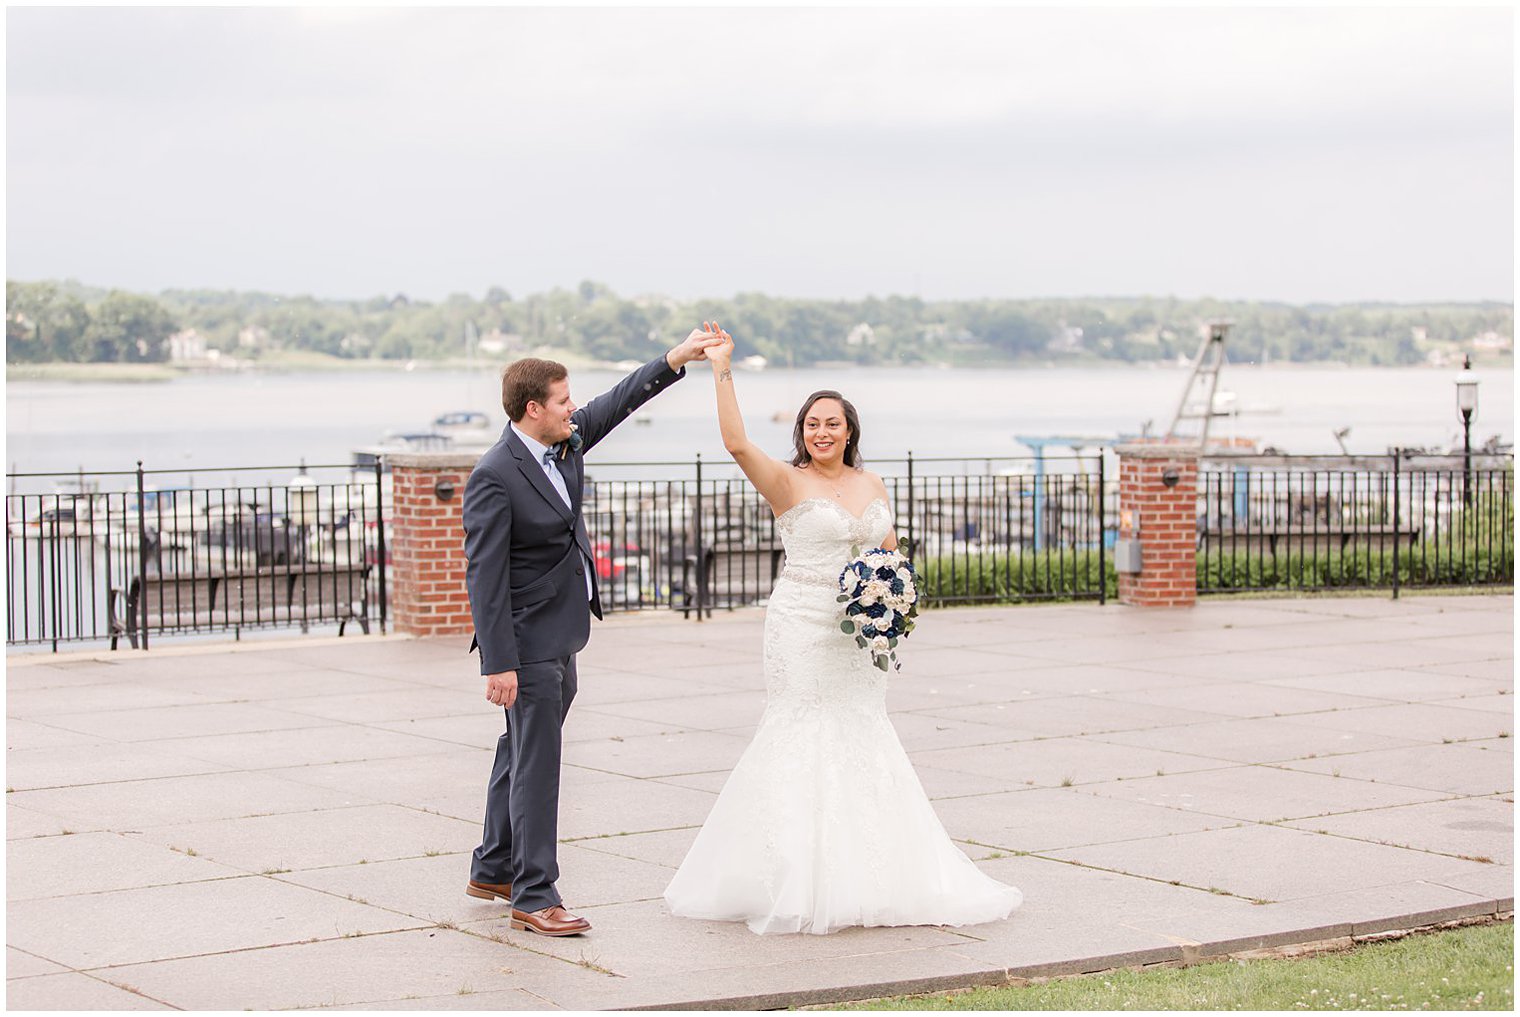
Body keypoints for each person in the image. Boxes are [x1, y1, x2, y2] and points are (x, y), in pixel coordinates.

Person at [663, 322, 1022, 935]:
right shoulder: (786, 482)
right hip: (802, 628)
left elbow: (891, 551)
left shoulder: (872, 484)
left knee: (862, 735)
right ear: (801, 433)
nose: (822, 432)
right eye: (811, 424)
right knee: (802, 734)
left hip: (860, 639)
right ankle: (793, 878)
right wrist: (721, 367)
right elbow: (734, 441)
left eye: (832, 423)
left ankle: (873, 874)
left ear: (850, 431)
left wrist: (894, 600)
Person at [463, 330, 720, 937]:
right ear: (533, 409)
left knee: (519, 750)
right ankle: (534, 895)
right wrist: (498, 662)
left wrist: (675, 360)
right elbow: (484, 574)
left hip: (563, 629)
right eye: (562, 401)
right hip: (525, 643)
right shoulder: (495, 475)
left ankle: (494, 866)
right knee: (537, 764)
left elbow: (616, 401)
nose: (572, 409)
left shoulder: (566, 444)